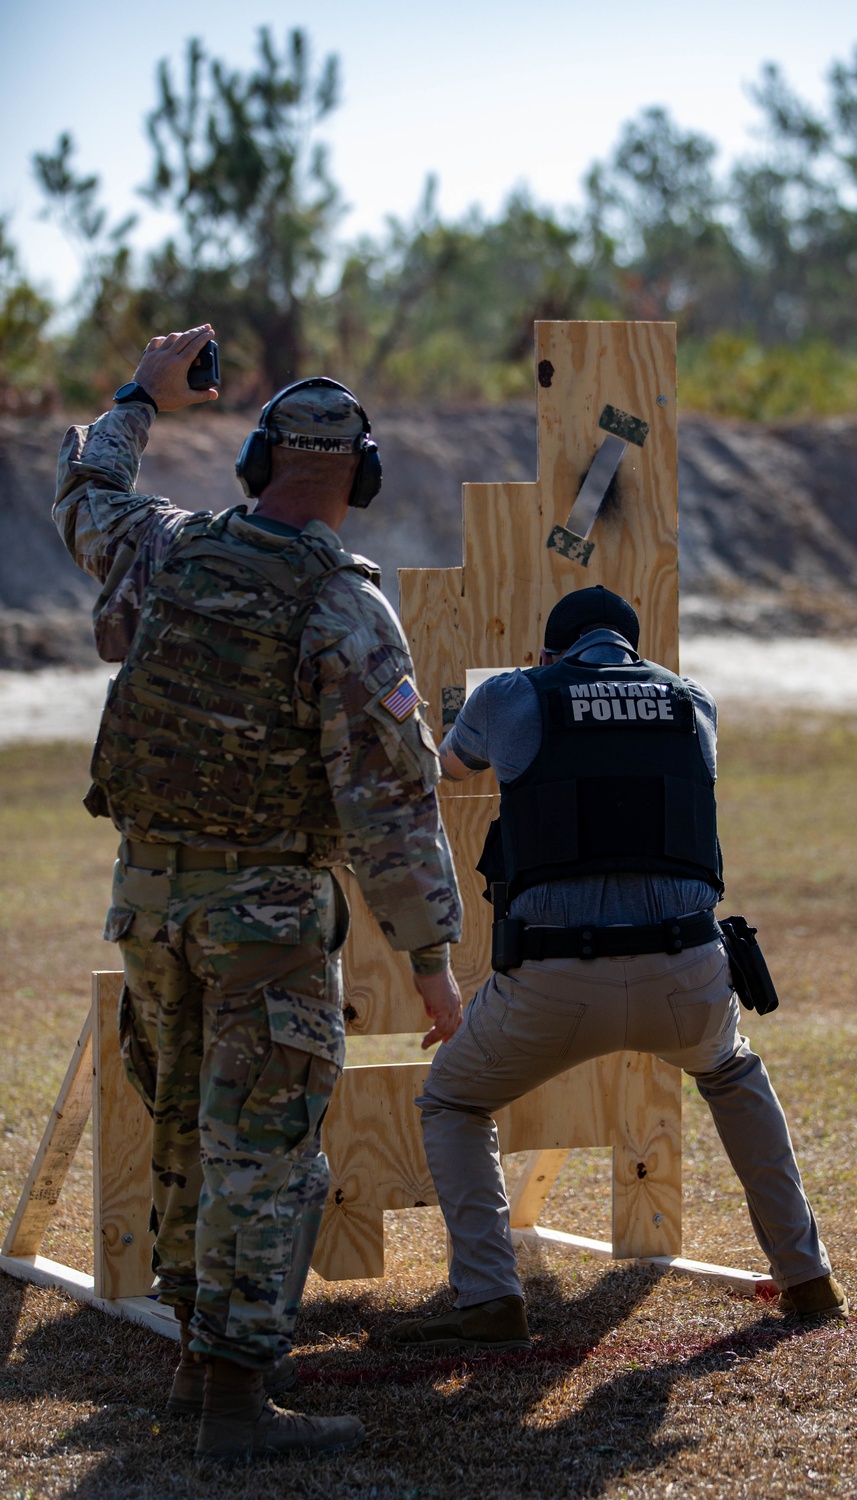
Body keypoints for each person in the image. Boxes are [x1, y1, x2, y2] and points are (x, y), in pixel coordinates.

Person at [53, 325, 464, 1462]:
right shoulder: (345, 609)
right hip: (266, 919)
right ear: (363, 478)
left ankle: (198, 1369)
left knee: (185, 1124)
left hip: (148, 905)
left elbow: (86, 492)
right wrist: (432, 963)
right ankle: (235, 1399)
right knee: (267, 1148)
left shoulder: (170, 549)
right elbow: (391, 805)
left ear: (254, 461)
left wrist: (141, 393)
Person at [391, 584, 847, 1352]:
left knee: (453, 1104)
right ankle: (807, 1276)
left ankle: (492, 1301)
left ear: (547, 654)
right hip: (689, 970)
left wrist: (402, 709)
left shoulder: (514, 692)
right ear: (633, 649)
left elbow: (447, 767)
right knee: (733, 1075)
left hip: (555, 979)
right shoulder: (692, 701)